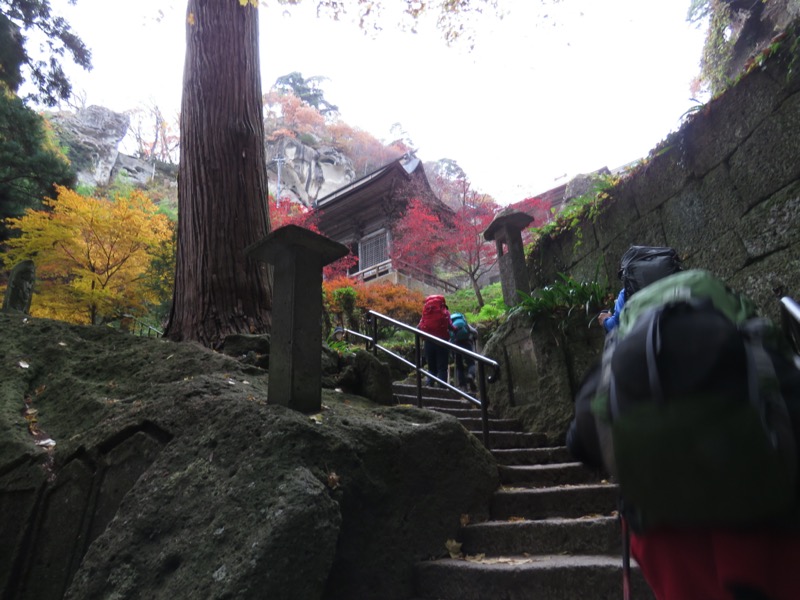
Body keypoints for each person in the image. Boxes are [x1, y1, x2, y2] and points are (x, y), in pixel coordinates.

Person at [417, 295, 453, 387]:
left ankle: (429, 385)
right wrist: (455, 330)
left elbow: (419, 326)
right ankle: (442, 388)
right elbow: (450, 326)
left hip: (428, 342)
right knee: (442, 367)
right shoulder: (445, 312)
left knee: (431, 367)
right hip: (442, 342)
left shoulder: (427, 312)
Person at [450, 312, 478, 392]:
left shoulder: (451, 325)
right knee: (471, 363)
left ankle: (463, 386)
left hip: (455, 345)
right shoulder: (464, 323)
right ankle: (471, 375)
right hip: (467, 343)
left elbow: (450, 338)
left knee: (459, 366)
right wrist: (475, 337)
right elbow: (475, 332)